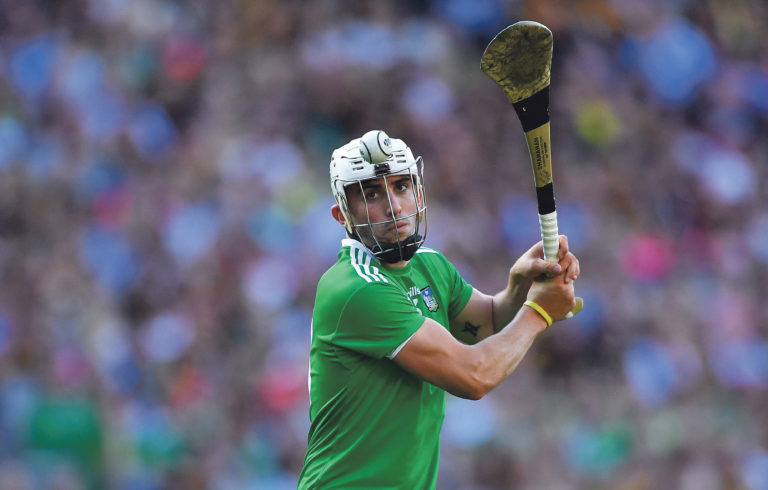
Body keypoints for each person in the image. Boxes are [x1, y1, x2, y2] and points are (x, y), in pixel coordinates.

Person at [298, 130, 579, 489]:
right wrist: (538, 313)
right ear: (342, 215)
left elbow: (488, 321)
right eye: (372, 194)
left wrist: (521, 285)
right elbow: (473, 376)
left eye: (401, 186)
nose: (394, 206)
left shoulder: (429, 266)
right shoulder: (355, 288)